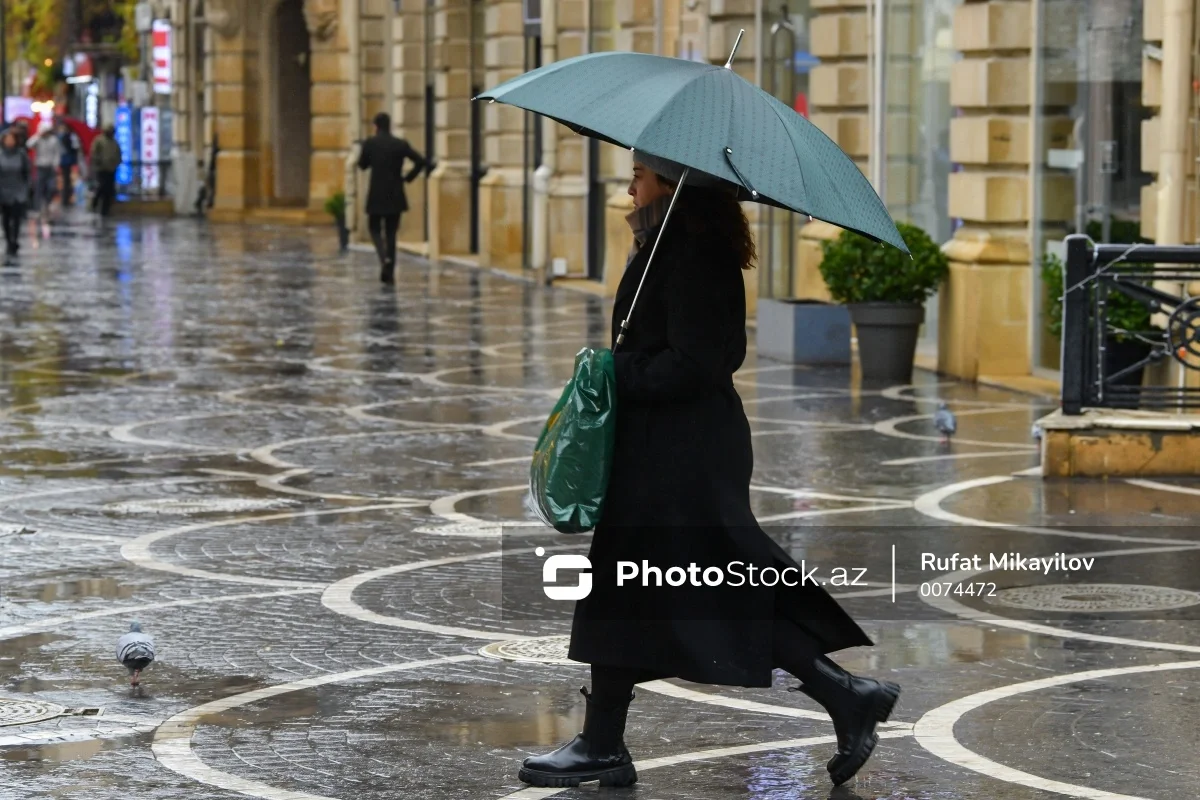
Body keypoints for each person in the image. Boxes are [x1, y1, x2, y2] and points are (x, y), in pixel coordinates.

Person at [517, 155, 901, 790]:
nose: (629, 184)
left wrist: (619, 372)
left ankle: (842, 694)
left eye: (639, 173)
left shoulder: (692, 250)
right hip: (667, 450)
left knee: (684, 583)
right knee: (637, 585)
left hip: (682, 455)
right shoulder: (674, 242)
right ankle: (606, 740)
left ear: (672, 182)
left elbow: (698, 364)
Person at [357, 111, 427, 284]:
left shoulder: (371, 143)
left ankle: (384, 259)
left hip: (376, 193)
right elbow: (421, 161)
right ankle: (390, 270)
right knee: (391, 232)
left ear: (375, 127)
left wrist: (365, 150)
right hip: (396, 193)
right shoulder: (400, 144)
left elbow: (362, 165)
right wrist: (408, 178)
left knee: (374, 228)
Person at [0, 131, 31, 255]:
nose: (9, 142)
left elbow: (26, 172)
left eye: (11, 139)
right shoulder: (1, 154)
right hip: (3, 189)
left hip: (18, 189)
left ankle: (15, 239)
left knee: (16, 217)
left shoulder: (21, 155)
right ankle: (8, 240)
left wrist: (27, 187)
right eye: (7, 139)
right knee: (6, 218)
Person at [28, 125, 63, 218]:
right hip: (40, 167)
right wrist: (38, 135)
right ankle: (37, 209)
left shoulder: (54, 140)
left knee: (51, 187)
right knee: (38, 188)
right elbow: (29, 144)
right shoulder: (38, 139)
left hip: (50, 167)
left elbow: (57, 153)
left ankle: (47, 204)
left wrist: (56, 165)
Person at [89, 125, 122, 218]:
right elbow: (94, 153)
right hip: (101, 168)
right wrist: (98, 162)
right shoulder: (99, 140)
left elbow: (118, 154)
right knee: (101, 187)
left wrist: (116, 162)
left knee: (109, 189)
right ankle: (95, 204)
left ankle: (105, 210)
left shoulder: (114, 142)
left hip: (111, 169)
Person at [58, 121, 82, 206]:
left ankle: (66, 198)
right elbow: (76, 148)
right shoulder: (71, 136)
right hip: (68, 160)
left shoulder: (65, 137)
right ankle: (66, 198)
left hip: (66, 160)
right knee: (67, 180)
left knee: (67, 180)